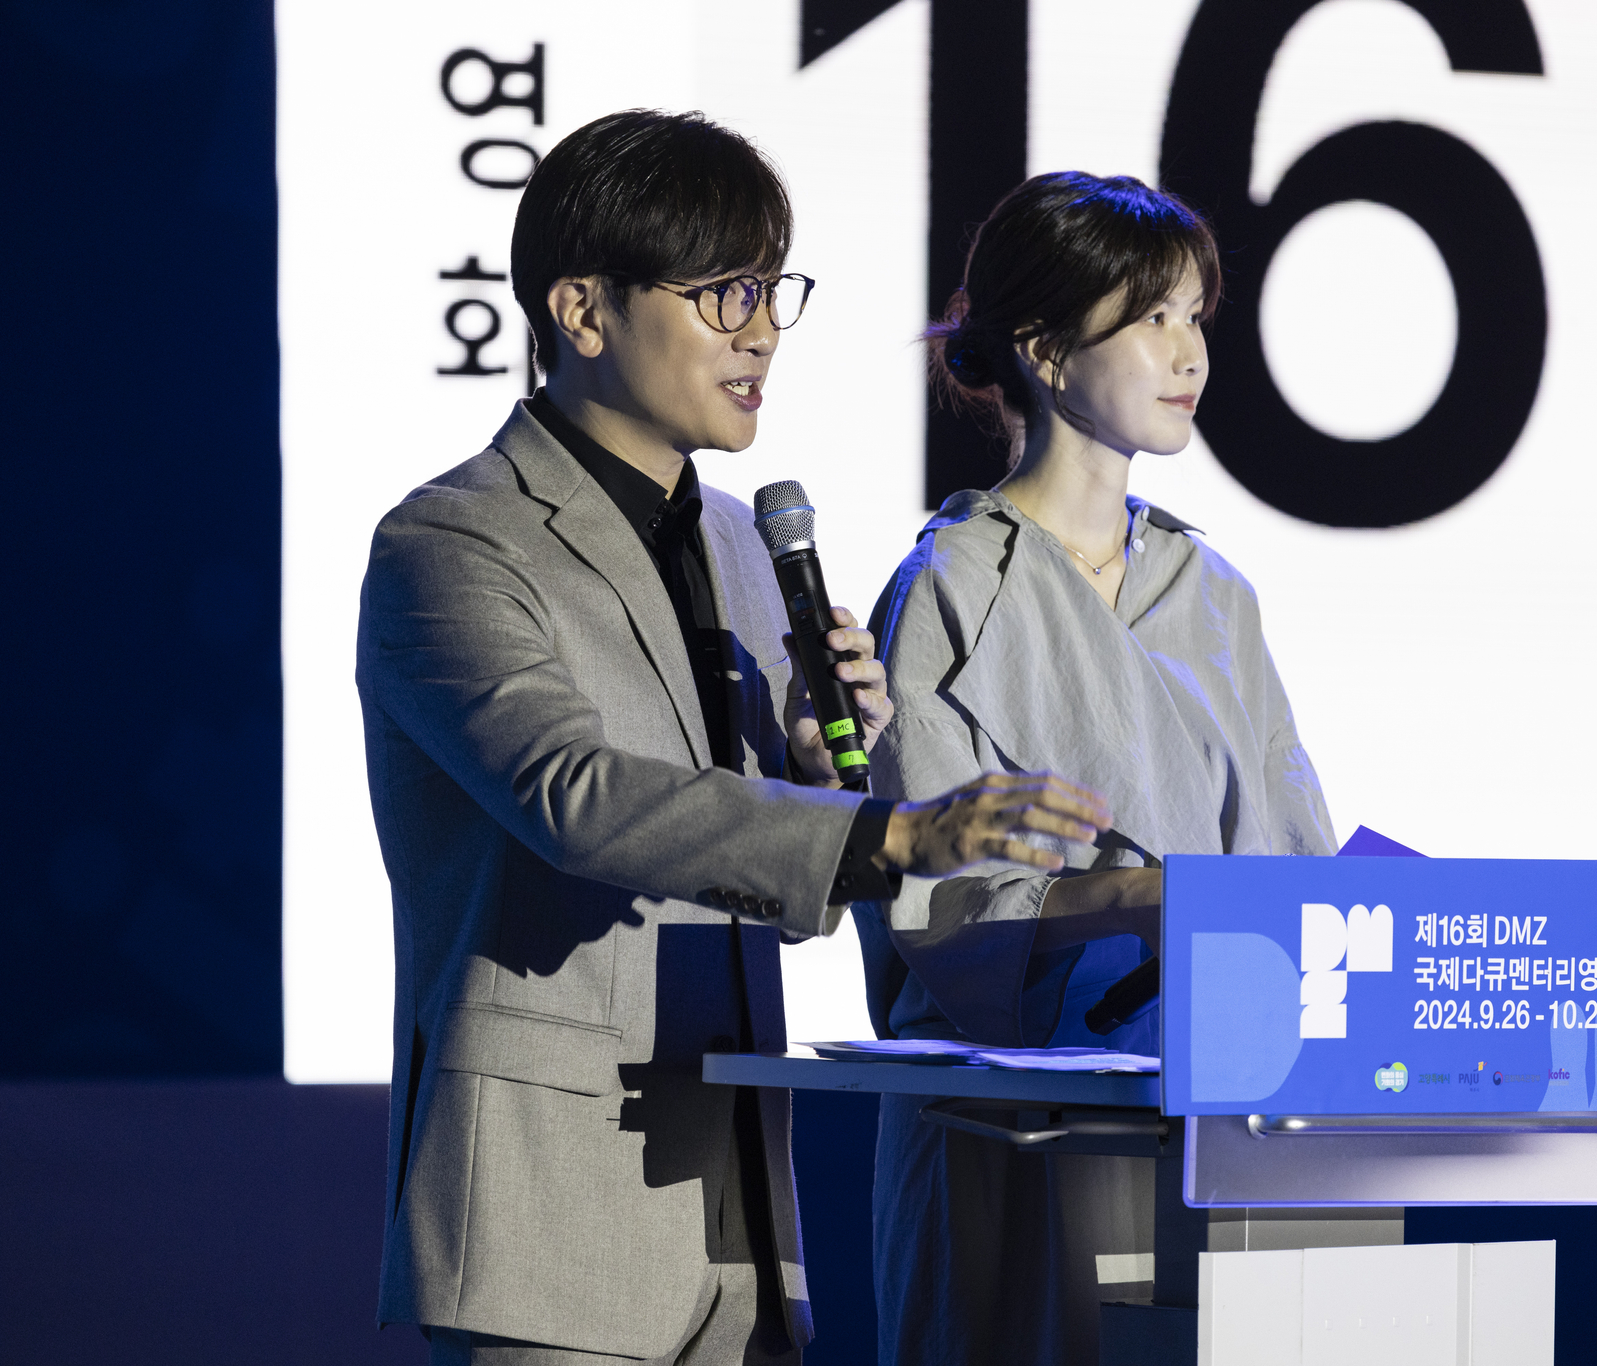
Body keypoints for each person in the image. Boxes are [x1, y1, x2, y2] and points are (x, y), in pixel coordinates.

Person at [358, 111, 1111, 1366]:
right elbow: (576, 799)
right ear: (582, 311)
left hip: (743, 1207)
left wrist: (820, 767)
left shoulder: (742, 546)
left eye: (770, 289)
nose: (759, 330)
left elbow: (744, 853)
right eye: (720, 292)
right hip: (550, 1213)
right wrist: (885, 831)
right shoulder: (452, 543)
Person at [856, 172, 1338, 1365]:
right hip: (1006, 1141)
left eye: (1196, 318)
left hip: (1214, 1129)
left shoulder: (1212, 591)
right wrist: (1141, 896)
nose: (1190, 353)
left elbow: (1293, 858)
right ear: (1045, 351)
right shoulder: (948, 588)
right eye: (1153, 317)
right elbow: (938, 909)